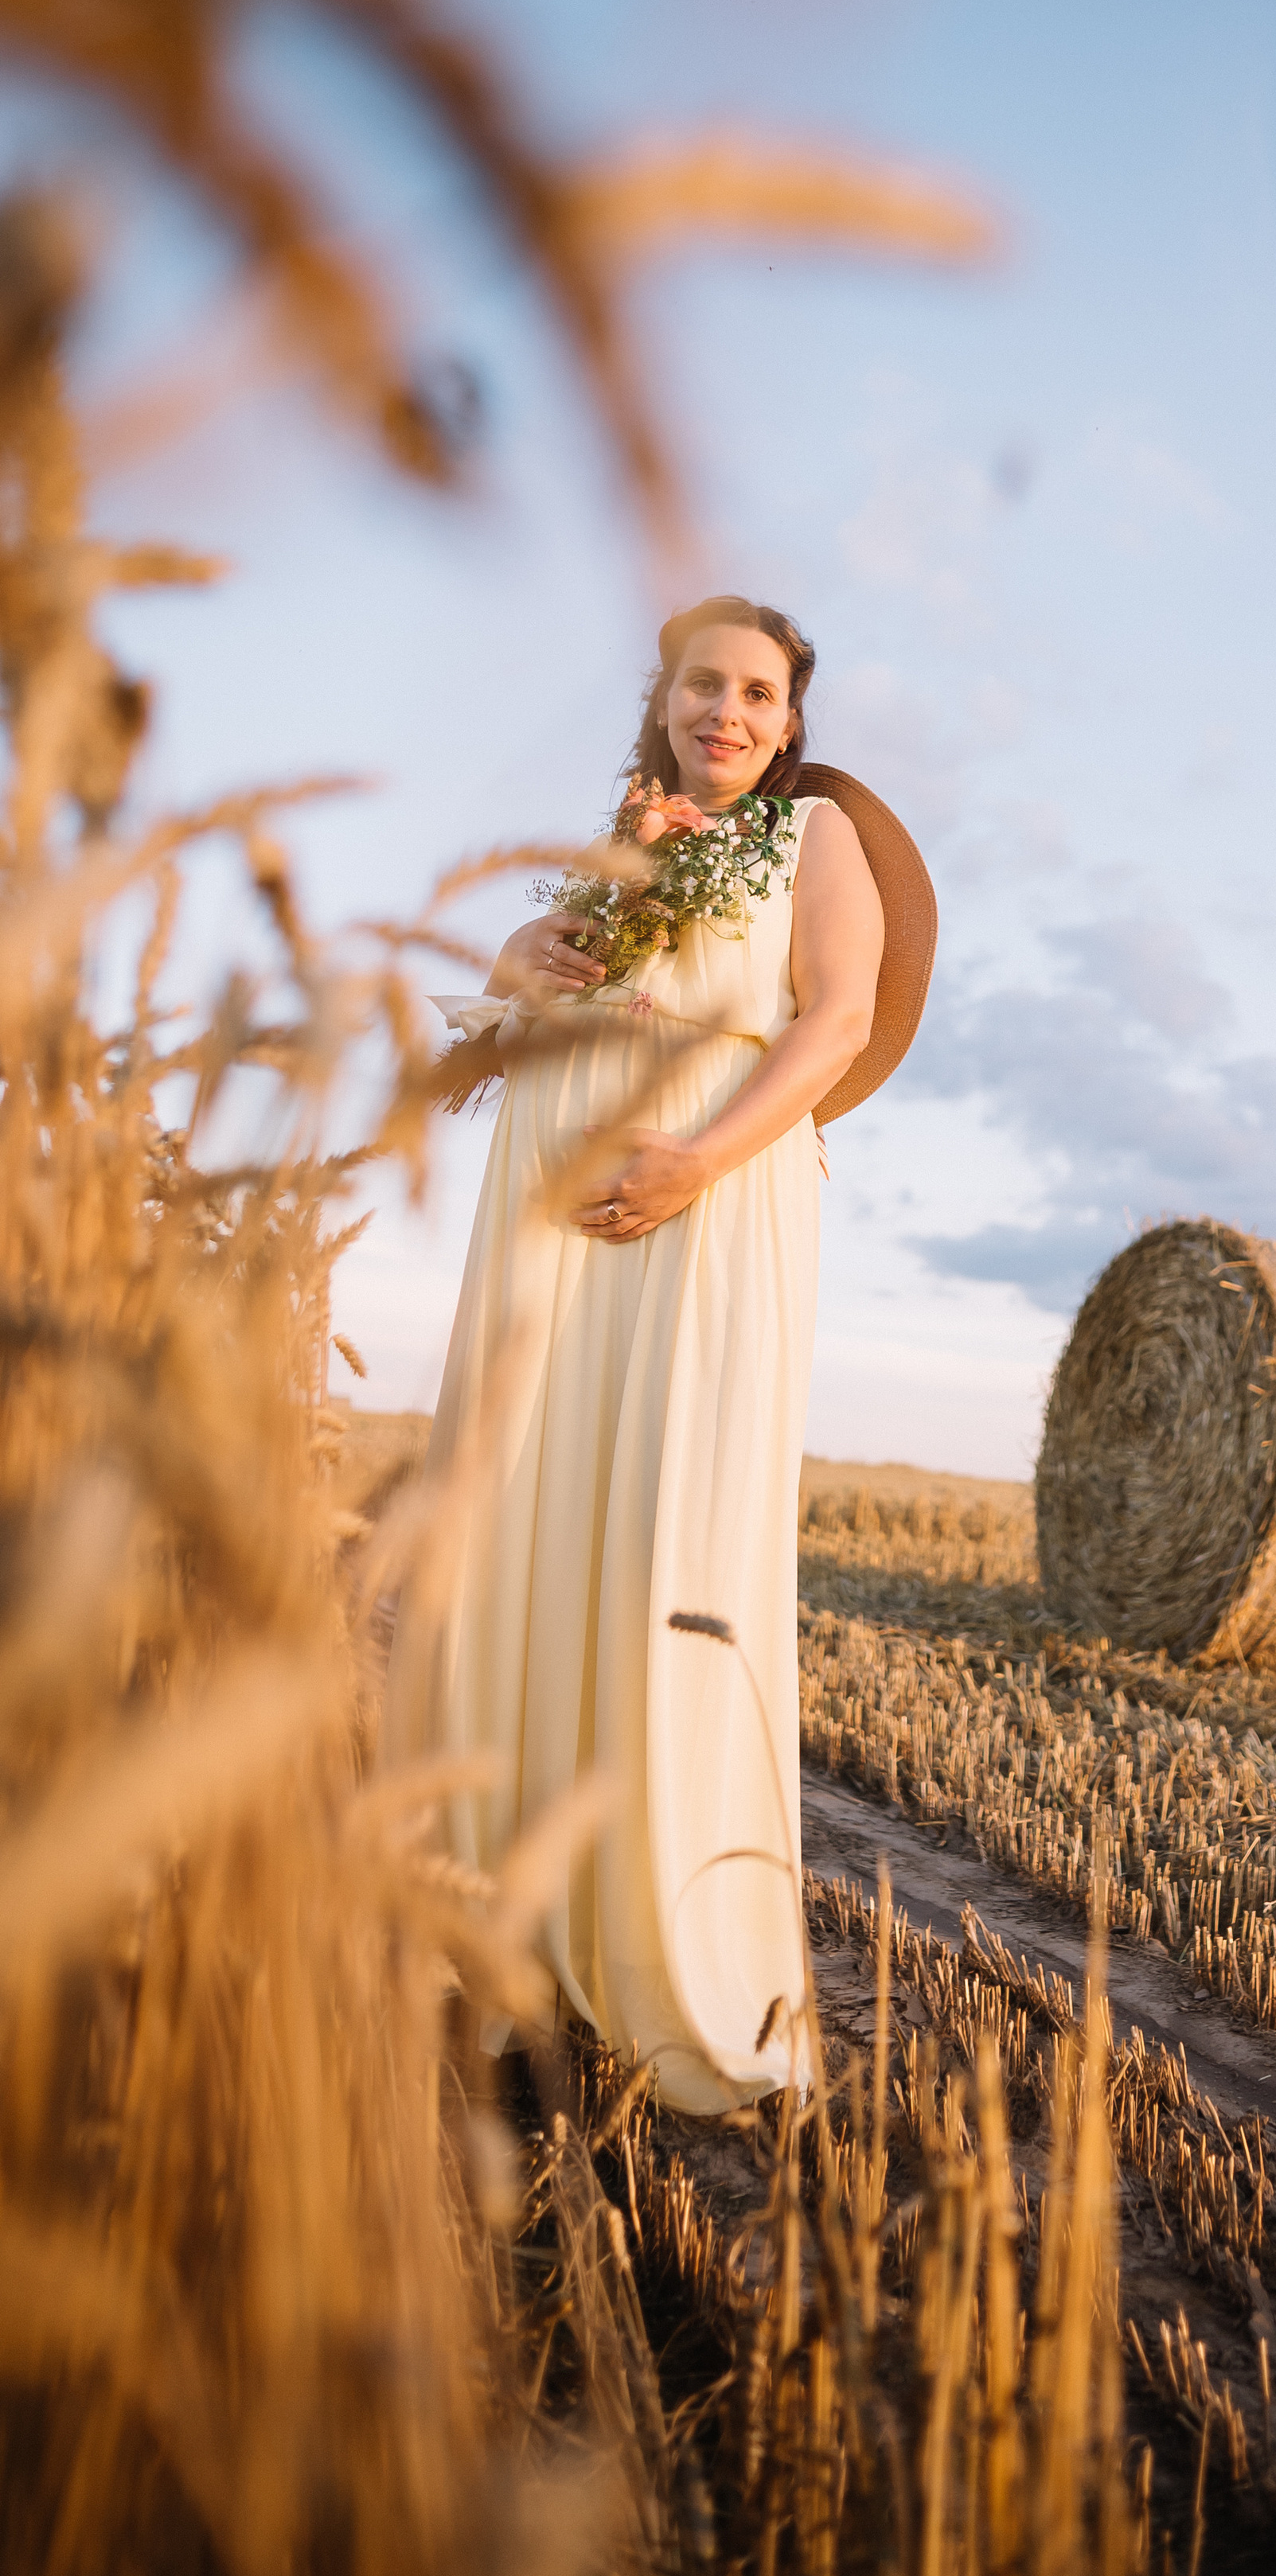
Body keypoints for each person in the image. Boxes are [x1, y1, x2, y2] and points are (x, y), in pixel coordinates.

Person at [384, 598, 885, 2111]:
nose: (725, 709)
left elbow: (837, 1022)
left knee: (668, 1535)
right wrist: (516, 965)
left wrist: (701, 1164)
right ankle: (498, 1927)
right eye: (700, 683)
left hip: (703, 1217)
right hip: (545, 1215)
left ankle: (671, 1939)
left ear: (790, 720)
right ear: (662, 699)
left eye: (755, 691)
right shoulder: (615, 852)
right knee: (520, 1530)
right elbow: (497, 1052)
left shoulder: (816, 843)